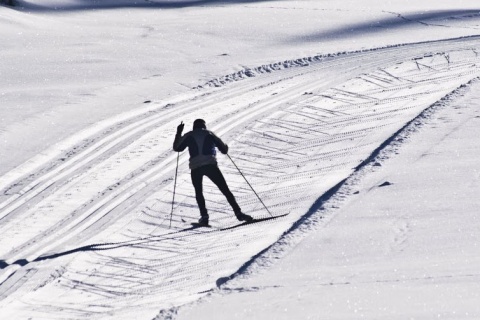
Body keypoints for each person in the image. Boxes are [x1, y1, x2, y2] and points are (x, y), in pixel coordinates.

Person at [173, 119, 253, 225]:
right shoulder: (209, 134)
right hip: (210, 165)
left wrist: (179, 132)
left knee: (199, 192)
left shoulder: (189, 135)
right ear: (204, 126)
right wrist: (225, 147)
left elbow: (177, 148)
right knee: (225, 190)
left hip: (195, 167)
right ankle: (238, 213)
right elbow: (224, 150)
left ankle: (204, 217)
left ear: (194, 127)